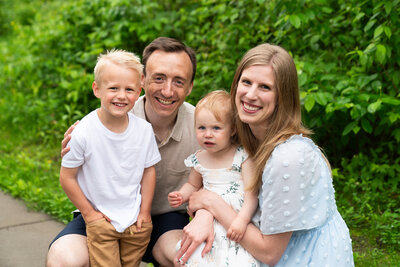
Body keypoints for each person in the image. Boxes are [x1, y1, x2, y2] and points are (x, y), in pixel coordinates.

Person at [176, 43, 355, 266]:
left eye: (265, 87)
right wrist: (205, 214)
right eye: (247, 82)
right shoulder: (246, 137)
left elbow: (270, 252)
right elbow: (224, 187)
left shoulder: (288, 158)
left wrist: (212, 204)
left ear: (283, 96)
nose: (251, 95)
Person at [46, 37, 200, 267]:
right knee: (63, 260)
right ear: (143, 80)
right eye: (159, 78)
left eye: (179, 81)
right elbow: (71, 170)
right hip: (104, 215)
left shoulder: (204, 128)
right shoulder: (113, 114)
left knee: (188, 258)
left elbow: (222, 180)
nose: (167, 90)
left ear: (190, 87)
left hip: (165, 221)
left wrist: (203, 217)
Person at [59, 49, 161, 266]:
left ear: (139, 91)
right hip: (100, 219)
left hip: (135, 221)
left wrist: (144, 211)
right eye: (113, 88)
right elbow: (66, 177)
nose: (121, 95)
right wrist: (89, 214)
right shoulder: (83, 132)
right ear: (97, 89)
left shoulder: (143, 130)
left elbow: (148, 171)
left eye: (129, 89)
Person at [168, 90, 260, 266]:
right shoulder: (199, 158)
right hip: (209, 222)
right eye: (201, 128)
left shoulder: (242, 157)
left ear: (232, 129)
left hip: (235, 218)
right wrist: (181, 195)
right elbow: (192, 185)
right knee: (202, 257)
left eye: (216, 128)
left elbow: (251, 195)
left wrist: (242, 220)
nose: (207, 134)